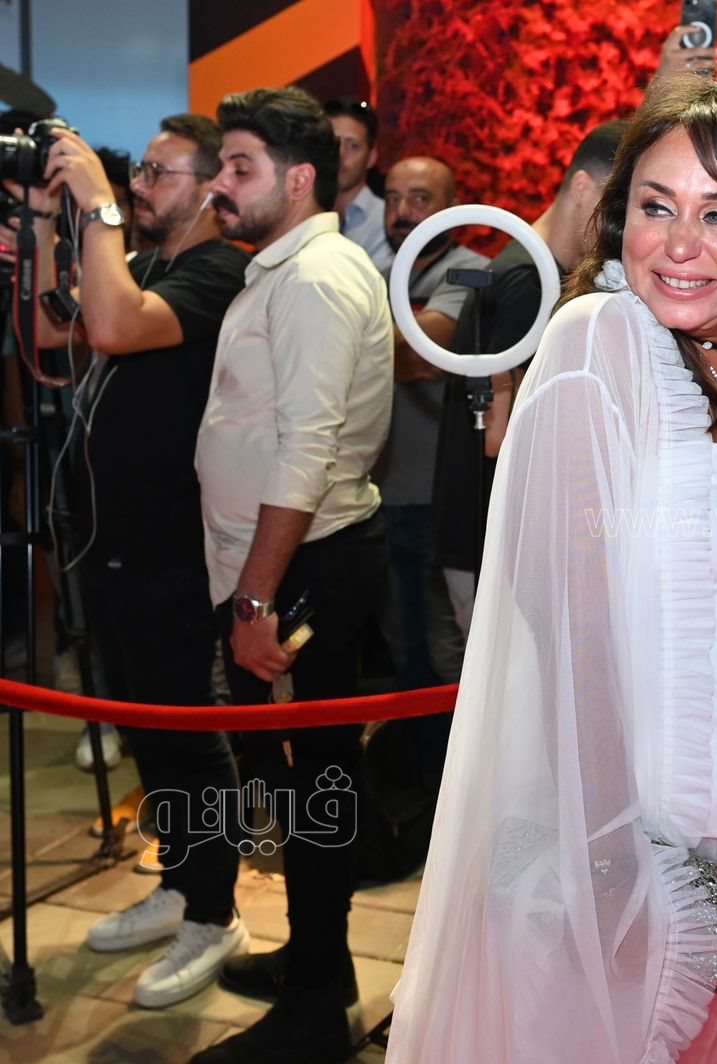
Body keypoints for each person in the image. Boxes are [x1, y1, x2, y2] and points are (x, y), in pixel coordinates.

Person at [388, 73, 717, 1063]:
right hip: (629, 833)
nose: (678, 244)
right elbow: (569, 618)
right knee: (619, 1032)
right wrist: (613, 856)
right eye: (655, 208)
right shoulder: (598, 346)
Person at [20, 113, 250, 1007]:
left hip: (174, 543)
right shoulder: (148, 266)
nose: (143, 184)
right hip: (109, 541)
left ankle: (216, 912)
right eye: (141, 171)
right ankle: (181, 883)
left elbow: (112, 329)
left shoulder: (220, 272)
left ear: (210, 189)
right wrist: (52, 220)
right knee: (145, 729)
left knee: (186, 731)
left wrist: (101, 207)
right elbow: (54, 336)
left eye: (160, 172)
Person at [191, 86, 392, 1064]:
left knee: (317, 788)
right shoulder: (283, 268)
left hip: (301, 569)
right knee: (298, 783)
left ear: (300, 177)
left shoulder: (314, 276)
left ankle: (316, 1008)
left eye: (241, 167)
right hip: (280, 565)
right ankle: (321, 961)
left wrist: (256, 598)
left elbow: (307, 450)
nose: (221, 185)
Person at [430, 120, 625, 634]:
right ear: (582, 187)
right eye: (618, 206)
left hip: (498, 534)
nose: (623, 226)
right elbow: (498, 434)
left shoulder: (533, 273)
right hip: (491, 540)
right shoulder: (528, 282)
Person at [374, 155, 484, 689]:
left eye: (420, 199)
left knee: (450, 652)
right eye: (393, 198)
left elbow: (427, 342)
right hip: (378, 494)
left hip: (438, 496)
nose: (402, 212)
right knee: (400, 647)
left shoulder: (473, 271)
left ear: (452, 208)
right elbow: (407, 353)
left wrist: (363, 350)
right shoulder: (376, 274)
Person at [323, 97, 391, 271]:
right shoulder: (300, 214)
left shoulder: (386, 220)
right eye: (332, 143)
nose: (340, 154)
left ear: (371, 157)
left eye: (353, 146)